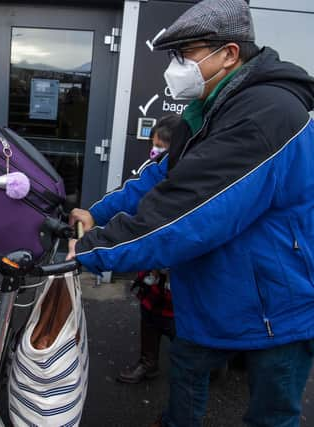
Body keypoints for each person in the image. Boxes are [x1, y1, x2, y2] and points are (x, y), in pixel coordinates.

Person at [68, 1, 314, 426]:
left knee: (272, 411)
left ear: (228, 53)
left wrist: (91, 248)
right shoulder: (210, 109)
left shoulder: (266, 113)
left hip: (289, 296)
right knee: (189, 359)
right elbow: (161, 178)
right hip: (237, 283)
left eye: (185, 54)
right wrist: (98, 214)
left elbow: (190, 208)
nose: (176, 67)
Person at [116, 117, 179, 384]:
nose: (155, 153)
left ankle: (202, 368)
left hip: (180, 265)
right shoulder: (151, 173)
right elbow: (132, 200)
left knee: (182, 320)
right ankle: (148, 362)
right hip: (154, 261)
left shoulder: (192, 175)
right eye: (153, 146)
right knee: (149, 312)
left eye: (161, 147)